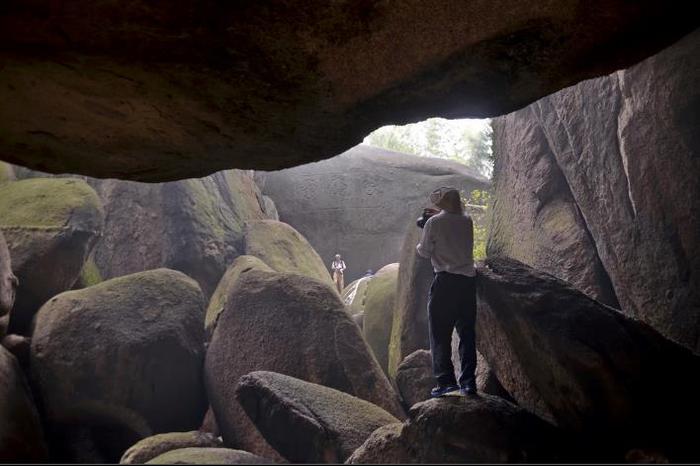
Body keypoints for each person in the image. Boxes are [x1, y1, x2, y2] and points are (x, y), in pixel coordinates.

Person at [416, 186, 477, 398]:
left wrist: (424, 228)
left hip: (445, 283)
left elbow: (424, 252)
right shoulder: (467, 220)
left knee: (439, 333)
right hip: (468, 283)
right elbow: (452, 222)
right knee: (467, 334)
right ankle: (469, 383)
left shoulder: (433, 223)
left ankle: (446, 382)